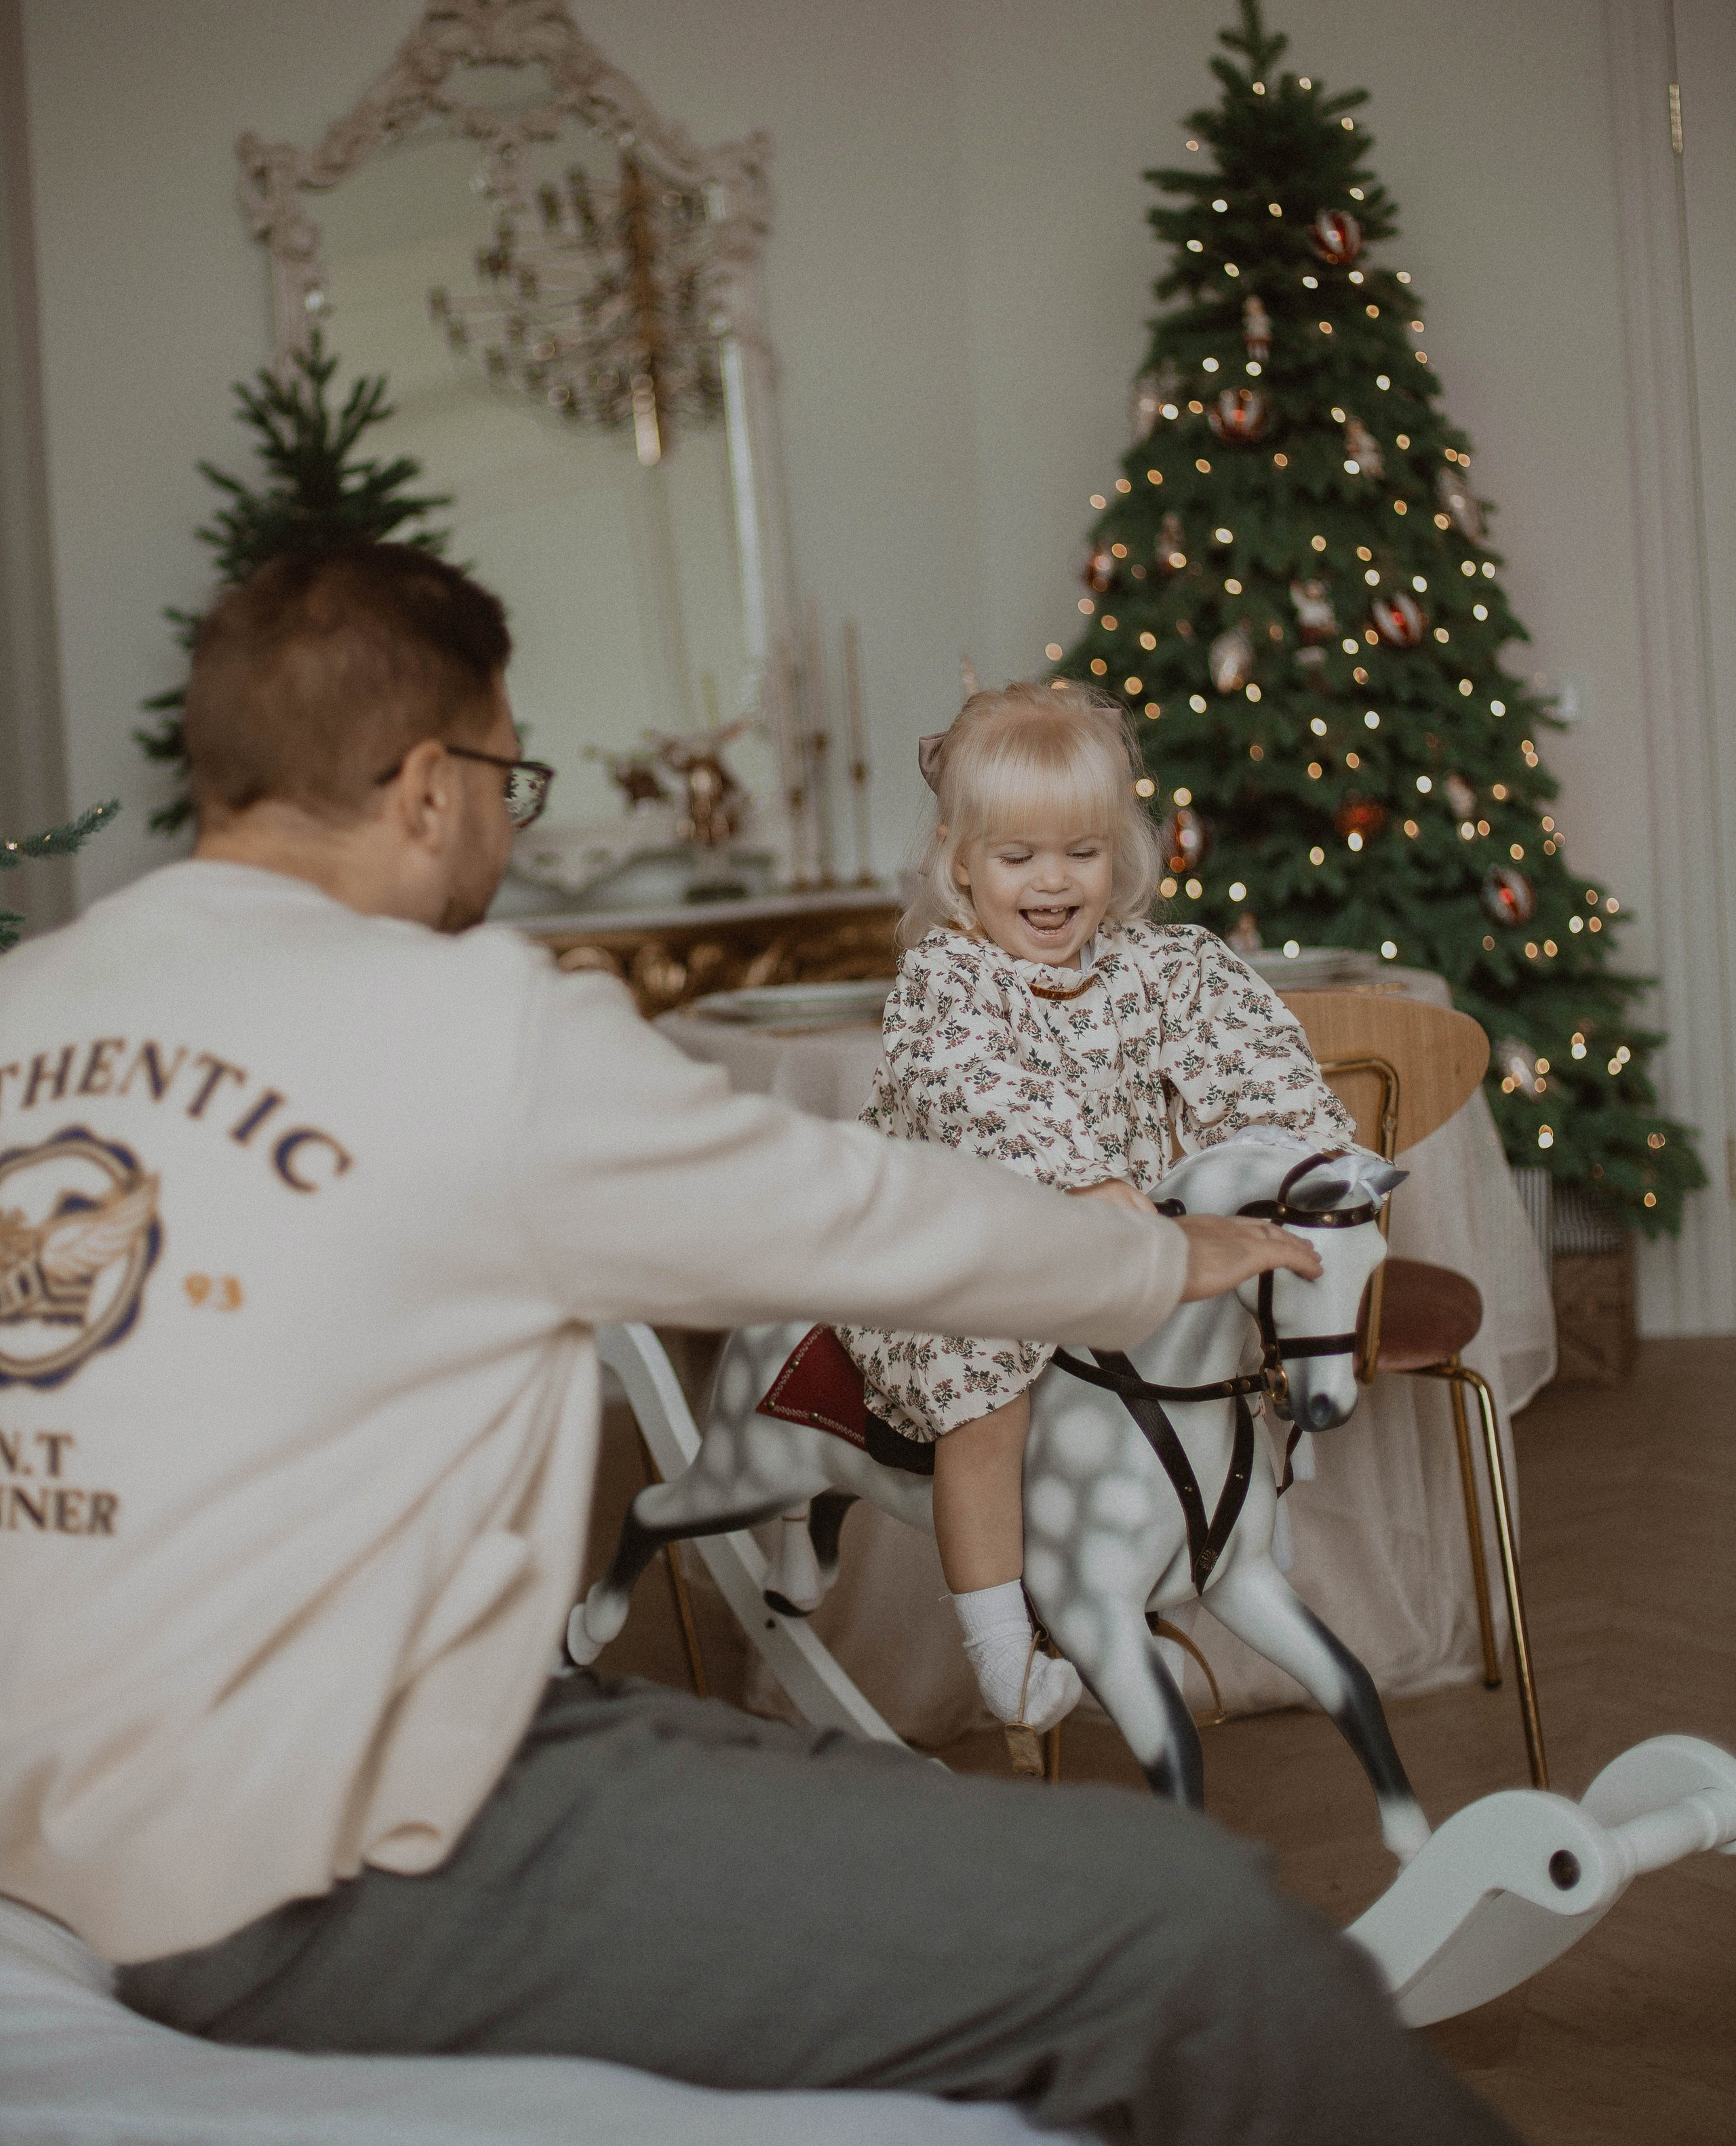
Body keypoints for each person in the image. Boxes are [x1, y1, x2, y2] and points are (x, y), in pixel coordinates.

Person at [0, 544, 1513, 2146]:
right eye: (514, 781)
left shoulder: (25, 1007)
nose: (505, 830)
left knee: (865, 1803)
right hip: (302, 1861)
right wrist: (1165, 1254)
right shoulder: (475, 1030)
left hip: (148, 1778)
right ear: (432, 786)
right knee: (1189, 1926)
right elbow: (882, 1223)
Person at [837, 682, 1356, 1736]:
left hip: (1131, 1241)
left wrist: (1313, 1161)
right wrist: (1082, 1182)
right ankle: (1000, 1647)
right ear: (960, 861)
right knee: (986, 1392)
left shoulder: (1165, 966)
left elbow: (1254, 1060)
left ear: (1119, 853)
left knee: (1247, 1319)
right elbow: (978, 1085)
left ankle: (1243, 1522)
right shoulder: (949, 978)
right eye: (1017, 857)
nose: (1051, 882)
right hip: (975, 1250)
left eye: (1080, 851)